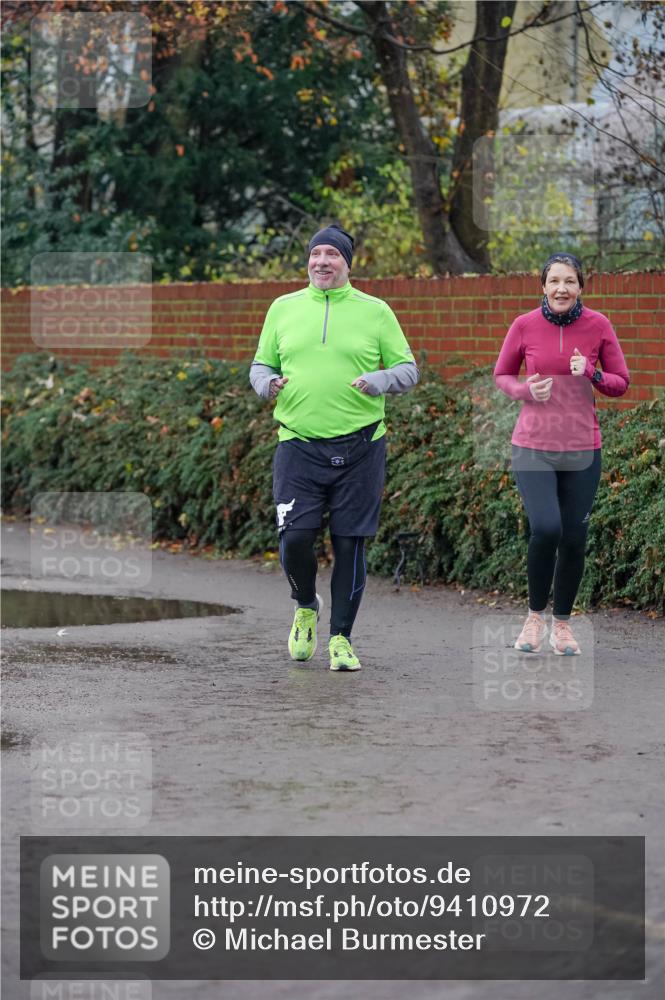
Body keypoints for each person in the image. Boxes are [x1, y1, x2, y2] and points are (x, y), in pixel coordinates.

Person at [250, 223, 419, 671]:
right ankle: (306, 605)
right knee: (295, 540)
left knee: (350, 545)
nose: (322, 261)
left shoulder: (375, 311)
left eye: (332, 255)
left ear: (347, 263)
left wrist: (379, 380)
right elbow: (260, 363)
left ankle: (341, 640)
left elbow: (407, 368)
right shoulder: (283, 308)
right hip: (298, 445)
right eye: (316, 254)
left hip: (362, 447)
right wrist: (267, 383)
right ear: (308, 260)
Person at [493, 252, 630, 655]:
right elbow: (502, 374)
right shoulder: (524, 325)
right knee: (547, 528)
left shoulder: (598, 326)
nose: (561, 289)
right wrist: (523, 390)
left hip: (582, 448)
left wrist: (590, 371)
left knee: (574, 537)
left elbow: (621, 383)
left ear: (581, 287)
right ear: (543, 286)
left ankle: (563, 625)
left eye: (569, 281)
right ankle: (534, 618)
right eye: (554, 281)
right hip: (533, 445)